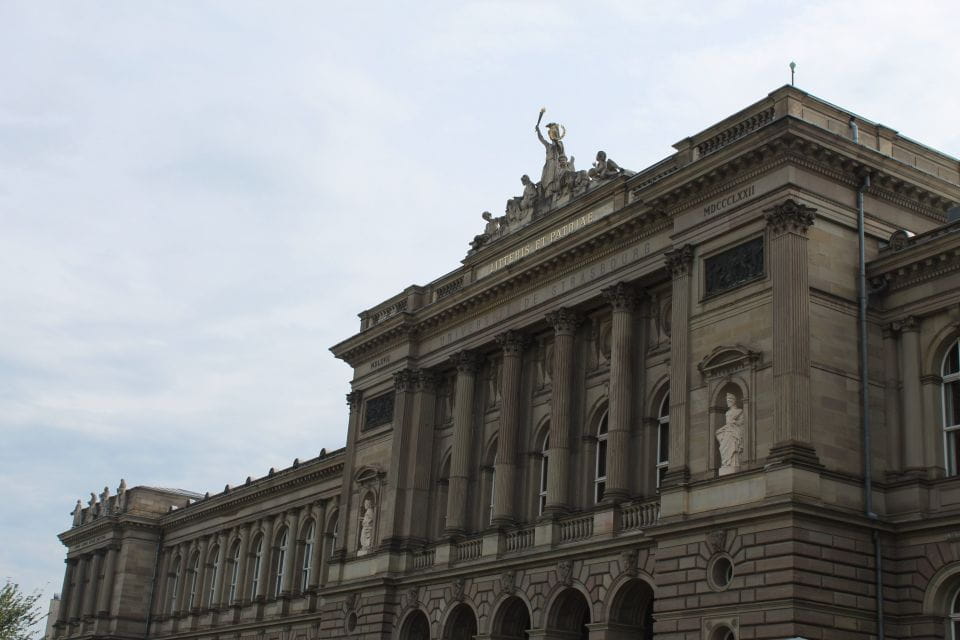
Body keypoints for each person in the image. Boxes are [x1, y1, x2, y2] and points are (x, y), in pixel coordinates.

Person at [716, 392, 744, 475]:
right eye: (727, 401)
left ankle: (734, 464)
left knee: (733, 447)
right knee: (722, 448)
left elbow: (742, 422)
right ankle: (726, 464)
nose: (727, 402)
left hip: (734, 432)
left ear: (733, 401)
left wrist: (734, 422)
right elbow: (727, 424)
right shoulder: (727, 413)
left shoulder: (739, 411)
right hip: (728, 431)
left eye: (729, 401)